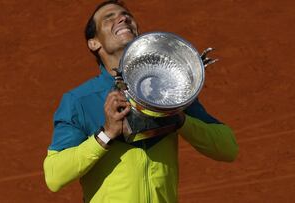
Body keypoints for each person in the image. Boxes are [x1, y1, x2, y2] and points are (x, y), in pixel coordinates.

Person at [43, 1, 238, 202]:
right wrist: (107, 134)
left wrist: (179, 120)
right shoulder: (80, 101)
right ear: (94, 43)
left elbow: (228, 148)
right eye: (108, 18)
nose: (123, 18)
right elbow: (55, 176)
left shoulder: (167, 90)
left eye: (126, 15)